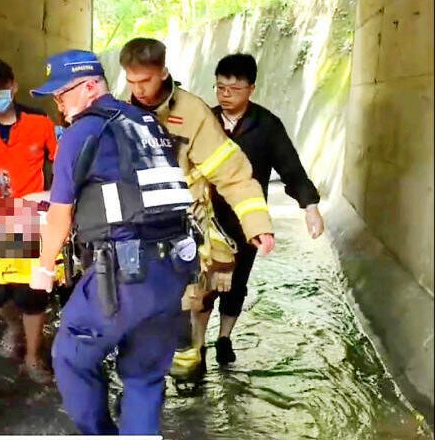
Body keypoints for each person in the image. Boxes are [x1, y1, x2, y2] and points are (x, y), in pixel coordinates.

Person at [28, 49, 220, 435]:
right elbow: (127, 187)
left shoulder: (82, 131)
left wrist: (45, 269)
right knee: (144, 378)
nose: (59, 105)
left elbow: (60, 214)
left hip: (120, 277)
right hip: (172, 273)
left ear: (89, 87)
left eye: (62, 95)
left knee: (70, 357)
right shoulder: (146, 121)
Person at [118, 37, 275, 379]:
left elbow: (232, 175)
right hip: (135, 231)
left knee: (188, 310)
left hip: (182, 231)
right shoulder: (120, 111)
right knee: (136, 311)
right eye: (130, 81)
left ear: (163, 72)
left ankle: (192, 377)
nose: (137, 90)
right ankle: (143, 392)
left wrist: (257, 224)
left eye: (144, 80)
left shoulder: (193, 113)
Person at [198, 53, 324, 364]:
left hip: (246, 223)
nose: (225, 96)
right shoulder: (205, 121)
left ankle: (224, 339)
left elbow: (290, 168)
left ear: (251, 88)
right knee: (202, 288)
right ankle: (197, 345)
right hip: (206, 221)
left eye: (234, 89)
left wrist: (310, 206)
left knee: (236, 285)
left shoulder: (266, 126)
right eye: (220, 88)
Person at [0, 59, 57, 384]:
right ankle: (12, 326)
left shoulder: (39, 122)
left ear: (13, 86)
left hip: (24, 215)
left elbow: (59, 166)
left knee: (30, 293)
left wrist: (53, 206)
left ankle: (33, 357)